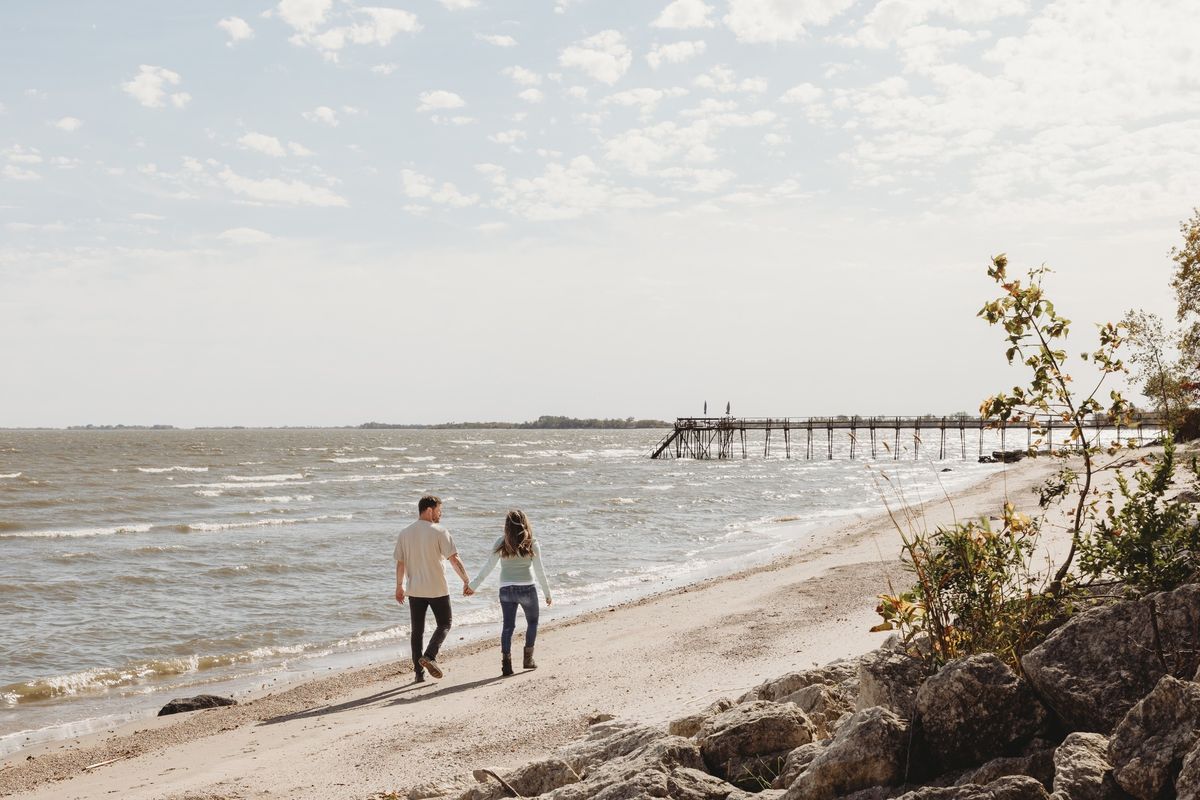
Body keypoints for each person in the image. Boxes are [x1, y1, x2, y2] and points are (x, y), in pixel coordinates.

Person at [394, 495, 473, 682]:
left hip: (414, 590)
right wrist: (466, 580)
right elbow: (454, 559)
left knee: (417, 631)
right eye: (439, 510)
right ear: (429, 510)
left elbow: (400, 564)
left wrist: (399, 587)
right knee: (445, 623)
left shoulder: (405, 533)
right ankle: (429, 656)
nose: (441, 514)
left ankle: (418, 674)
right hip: (437, 588)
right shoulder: (439, 531)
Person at [467, 509, 552, 677]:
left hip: (506, 589)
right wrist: (547, 593)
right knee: (532, 623)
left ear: (506, 526)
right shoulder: (532, 543)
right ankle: (528, 660)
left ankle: (506, 665)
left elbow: (488, 567)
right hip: (527, 588)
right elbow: (540, 571)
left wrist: (473, 586)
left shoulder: (501, 542)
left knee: (508, 627)